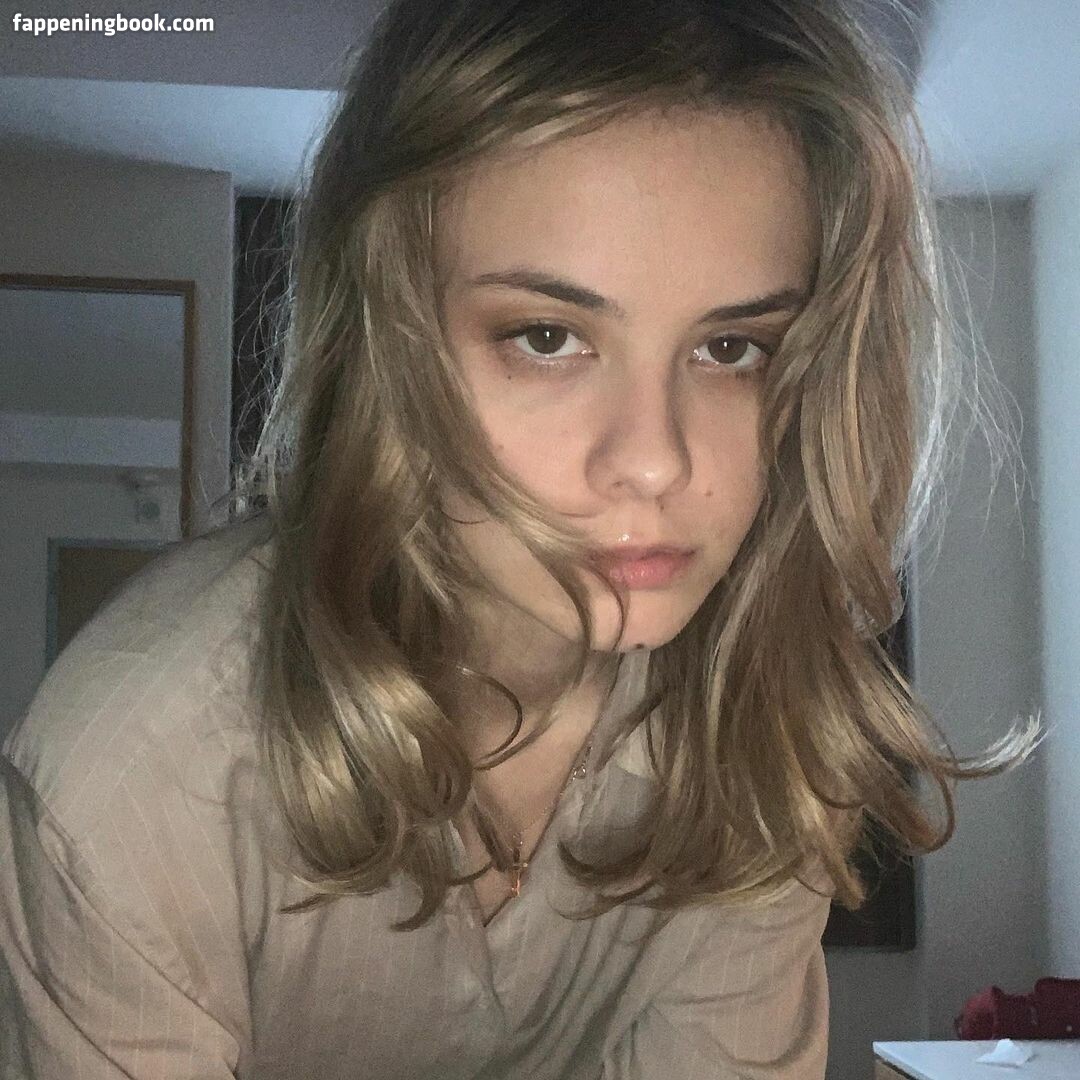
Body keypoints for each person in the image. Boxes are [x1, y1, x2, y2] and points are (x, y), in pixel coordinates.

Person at [0, 0, 1041, 1077]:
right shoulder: (138, 776)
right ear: (390, 345)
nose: (655, 460)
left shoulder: (752, 730)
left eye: (732, 348)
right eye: (547, 338)